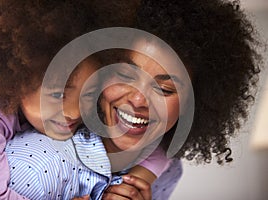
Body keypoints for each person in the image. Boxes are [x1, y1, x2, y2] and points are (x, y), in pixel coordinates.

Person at [0, 0, 172, 199]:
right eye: (58, 94)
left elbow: (157, 147)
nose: (75, 112)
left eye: (89, 95)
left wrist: (134, 181)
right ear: (16, 77)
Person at [85, 0, 262, 199]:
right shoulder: (55, 137)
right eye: (125, 75)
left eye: (164, 89)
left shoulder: (167, 172)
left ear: (191, 104)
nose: (138, 99)